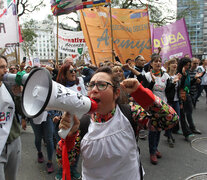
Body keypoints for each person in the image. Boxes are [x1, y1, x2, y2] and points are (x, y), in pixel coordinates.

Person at [57, 66, 178, 180]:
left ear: (116, 93)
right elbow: (64, 161)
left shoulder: (130, 112)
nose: (93, 89)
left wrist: (140, 93)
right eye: (92, 85)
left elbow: (170, 120)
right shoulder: (81, 123)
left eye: (102, 85)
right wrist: (69, 137)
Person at [55, 62, 88, 180]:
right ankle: (61, 170)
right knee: (63, 148)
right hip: (65, 123)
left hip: (78, 122)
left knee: (76, 148)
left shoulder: (80, 83)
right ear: (64, 74)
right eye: (71, 71)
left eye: (75, 70)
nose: (74, 72)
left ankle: (73, 169)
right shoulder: (59, 87)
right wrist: (58, 117)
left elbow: (85, 99)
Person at [0, 55, 24, 180]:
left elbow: (21, 112)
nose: (5, 71)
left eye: (6, 67)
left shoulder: (9, 87)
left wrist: (19, 95)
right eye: (1, 67)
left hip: (13, 140)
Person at [177, 57, 201, 142]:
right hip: (180, 96)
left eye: (188, 65)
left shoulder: (187, 72)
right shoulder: (179, 72)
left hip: (187, 95)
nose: (188, 66)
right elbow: (180, 86)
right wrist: (183, 76)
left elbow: (188, 84)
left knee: (188, 111)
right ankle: (187, 132)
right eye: (186, 65)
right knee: (182, 114)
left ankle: (189, 128)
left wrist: (195, 79)